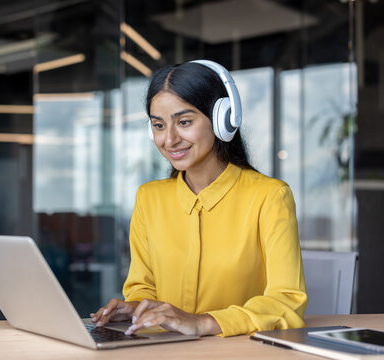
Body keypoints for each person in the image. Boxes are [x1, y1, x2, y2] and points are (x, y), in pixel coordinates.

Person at [90, 60, 307, 337]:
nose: (169, 139)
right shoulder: (149, 198)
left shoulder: (269, 197)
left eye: (184, 122)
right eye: (158, 125)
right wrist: (136, 307)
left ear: (222, 119)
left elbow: (287, 300)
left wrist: (202, 322)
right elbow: (143, 286)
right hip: (162, 351)